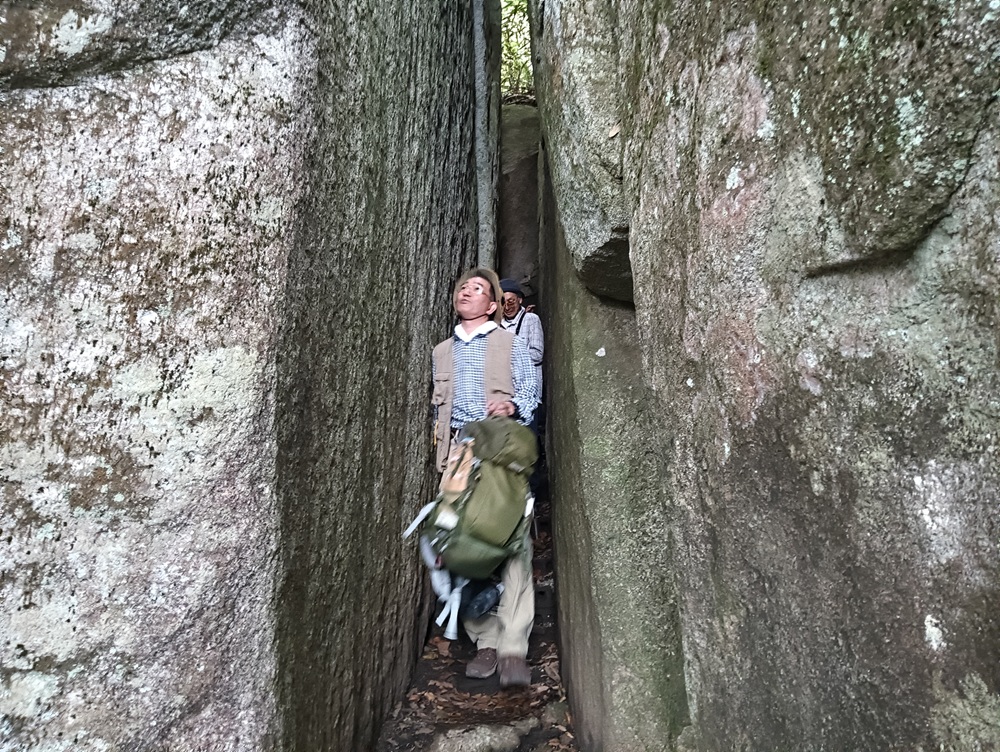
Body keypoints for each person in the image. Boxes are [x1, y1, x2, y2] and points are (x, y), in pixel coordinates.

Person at [431, 268, 539, 688]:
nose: (467, 291)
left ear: (492, 304)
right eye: (463, 287)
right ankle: (485, 640)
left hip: (502, 454)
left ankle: (513, 648)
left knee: (512, 543)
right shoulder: (443, 351)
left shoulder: (508, 343)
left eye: (477, 288)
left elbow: (531, 392)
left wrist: (512, 406)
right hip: (460, 457)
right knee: (460, 546)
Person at [498, 279, 544, 400]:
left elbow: (537, 354)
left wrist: (509, 355)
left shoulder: (531, 319)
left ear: (520, 300)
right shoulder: (496, 325)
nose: (507, 307)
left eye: (511, 301)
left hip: (528, 393)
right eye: (503, 302)